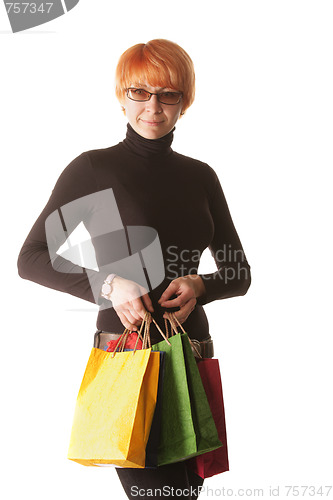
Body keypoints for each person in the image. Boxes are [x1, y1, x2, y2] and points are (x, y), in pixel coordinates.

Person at [17, 39, 251, 500]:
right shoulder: (94, 169)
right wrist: (108, 284)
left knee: (185, 493)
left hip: (192, 352)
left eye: (168, 94)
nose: (153, 106)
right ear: (121, 96)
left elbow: (238, 272)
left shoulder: (200, 175)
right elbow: (32, 257)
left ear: (184, 102)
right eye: (140, 92)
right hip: (129, 354)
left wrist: (201, 283)